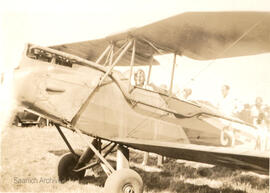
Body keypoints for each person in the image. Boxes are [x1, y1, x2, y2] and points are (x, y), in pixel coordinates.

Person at [133, 69, 163, 167]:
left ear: (144, 78)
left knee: (156, 137)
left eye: (141, 76)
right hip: (141, 115)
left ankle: (159, 162)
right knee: (146, 138)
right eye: (137, 76)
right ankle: (145, 161)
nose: (139, 78)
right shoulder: (134, 88)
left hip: (150, 114)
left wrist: (153, 85)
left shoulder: (147, 87)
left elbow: (156, 95)